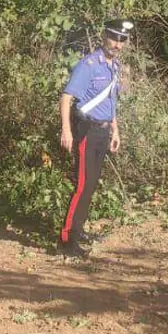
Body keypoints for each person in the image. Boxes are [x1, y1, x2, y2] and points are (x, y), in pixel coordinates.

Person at [58, 19, 132, 258]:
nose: (117, 44)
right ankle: (67, 240)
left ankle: (78, 231)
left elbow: (111, 102)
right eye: (114, 38)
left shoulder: (115, 67)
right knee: (82, 186)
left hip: (103, 132)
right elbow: (67, 97)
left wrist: (115, 130)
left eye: (122, 40)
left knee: (91, 186)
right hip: (86, 131)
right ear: (104, 37)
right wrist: (66, 130)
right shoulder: (88, 65)